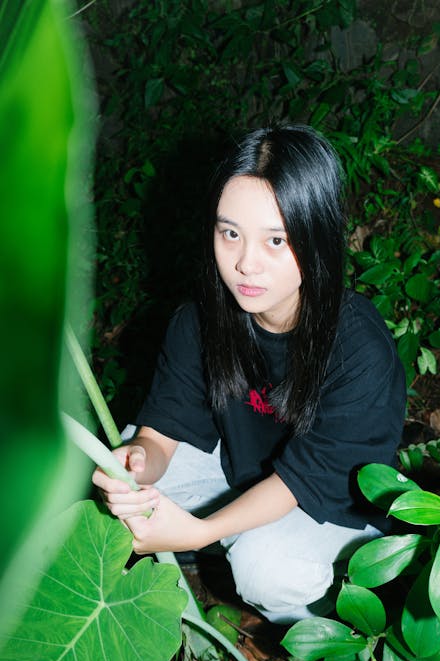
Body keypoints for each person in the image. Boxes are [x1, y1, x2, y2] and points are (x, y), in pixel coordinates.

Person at [93, 124, 406, 624]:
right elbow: (162, 429)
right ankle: (230, 532)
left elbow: (302, 481)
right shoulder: (200, 320)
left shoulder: (357, 346)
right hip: (245, 468)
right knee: (121, 477)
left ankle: (335, 629)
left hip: (333, 506)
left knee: (264, 568)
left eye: (276, 240)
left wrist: (198, 532)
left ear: (316, 237)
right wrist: (138, 461)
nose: (245, 264)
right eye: (230, 233)